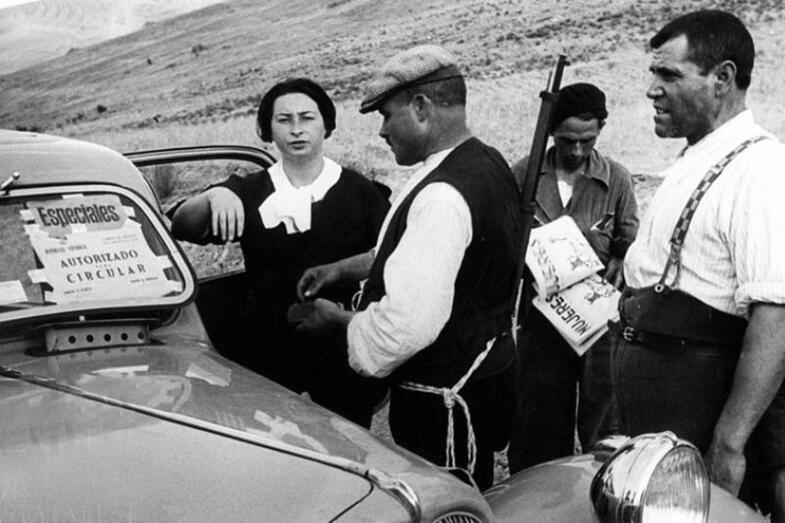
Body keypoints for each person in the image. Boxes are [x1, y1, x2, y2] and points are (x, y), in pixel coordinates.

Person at [293, 45, 523, 490]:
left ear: (420, 107)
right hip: (481, 379)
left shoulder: (442, 196)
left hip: (442, 410)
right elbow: (433, 254)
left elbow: (404, 328)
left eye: (386, 115)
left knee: (447, 507)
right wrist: (343, 270)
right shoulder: (482, 160)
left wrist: (337, 321)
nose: (382, 130)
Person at [613, 10, 785, 518]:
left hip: (698, 411)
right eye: (653, 73)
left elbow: (775, 316)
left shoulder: (760, 168)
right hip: (659, 406)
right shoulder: (698, 157)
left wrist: (729, 445)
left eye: (669, 75)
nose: (652, 89)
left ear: (723, 78)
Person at [169, 77, 390, 428]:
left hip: (337, 343)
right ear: (268, 130)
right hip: (267, 348)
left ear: (326, 125)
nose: (296, 129)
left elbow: (390, 256)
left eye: (307, 118)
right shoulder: (248, 190)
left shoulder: (360, 191)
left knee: (347, 437)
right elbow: (182, 226)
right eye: (284, 120)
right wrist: (214, 195)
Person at [507, 83, 638, 473]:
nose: (577, 151)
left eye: (587, 140)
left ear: (601, 130)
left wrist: (621, 257)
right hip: (541, 320)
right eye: (567, 141)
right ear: (551, 131)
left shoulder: (617, 179)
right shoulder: (525, 174)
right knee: (539, 421)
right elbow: (504, 235)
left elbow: (630, 237)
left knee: (604, 423)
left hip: (598, 321)